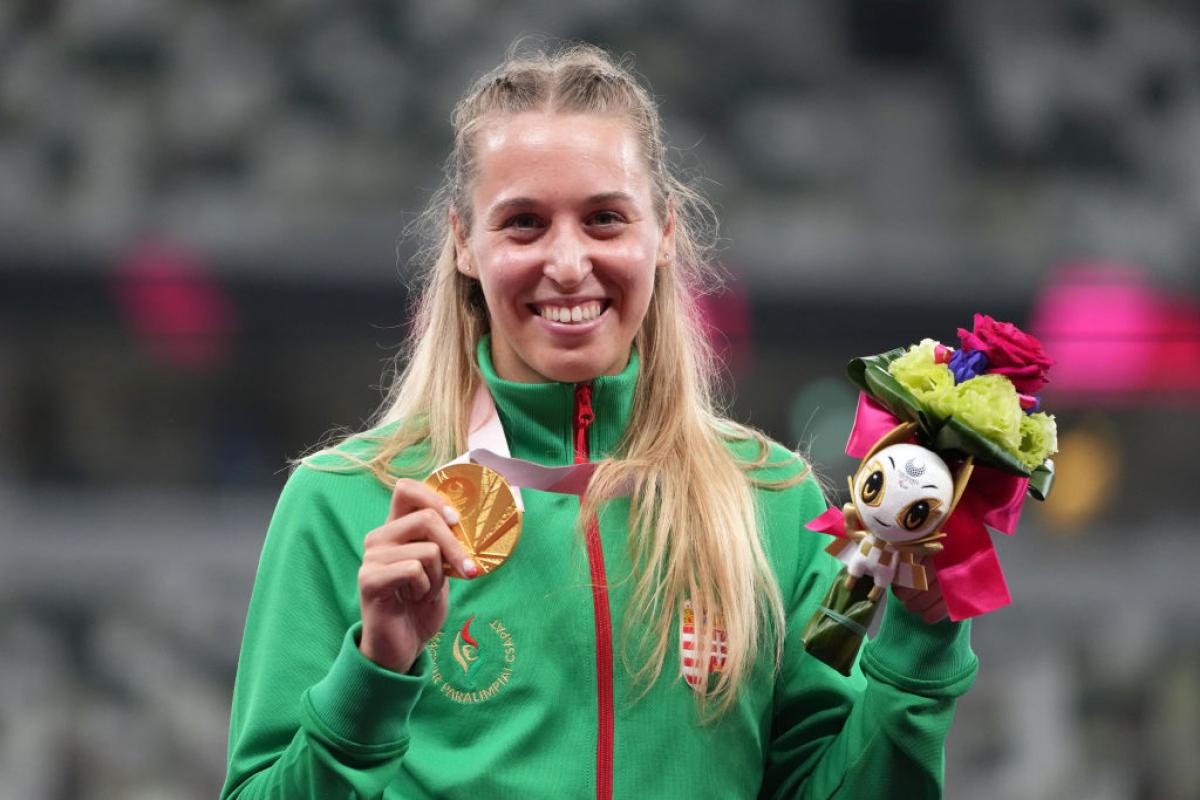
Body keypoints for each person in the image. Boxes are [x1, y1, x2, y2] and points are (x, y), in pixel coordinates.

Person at [221, 42, 975, 800]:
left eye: (605, 219)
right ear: (464, 245)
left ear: (665, 231)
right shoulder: (343, 505)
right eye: (523, 224)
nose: (569, 262)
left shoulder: (775, 506)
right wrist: (374, 675)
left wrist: (922, 640)